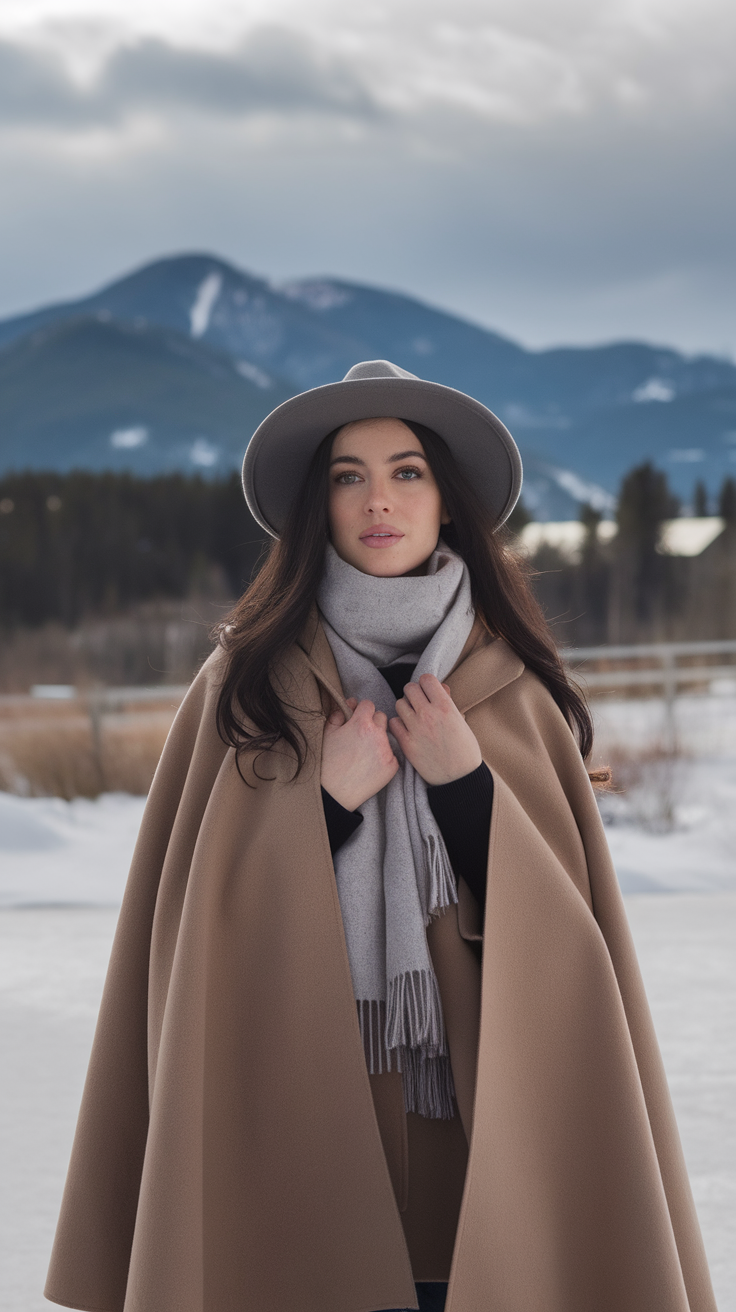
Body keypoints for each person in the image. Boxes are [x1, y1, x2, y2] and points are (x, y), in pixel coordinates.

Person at [45, 361, 716, 1312]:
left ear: (449, 502)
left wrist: (466, 785)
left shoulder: (514, 687)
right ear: (320, 505)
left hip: (486, 1148)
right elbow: (197, 933)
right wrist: (327, 802)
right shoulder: (243, 682)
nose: (378, 500)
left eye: (407, 472)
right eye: (347, 476)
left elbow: (575, 950)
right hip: (294, 1139)